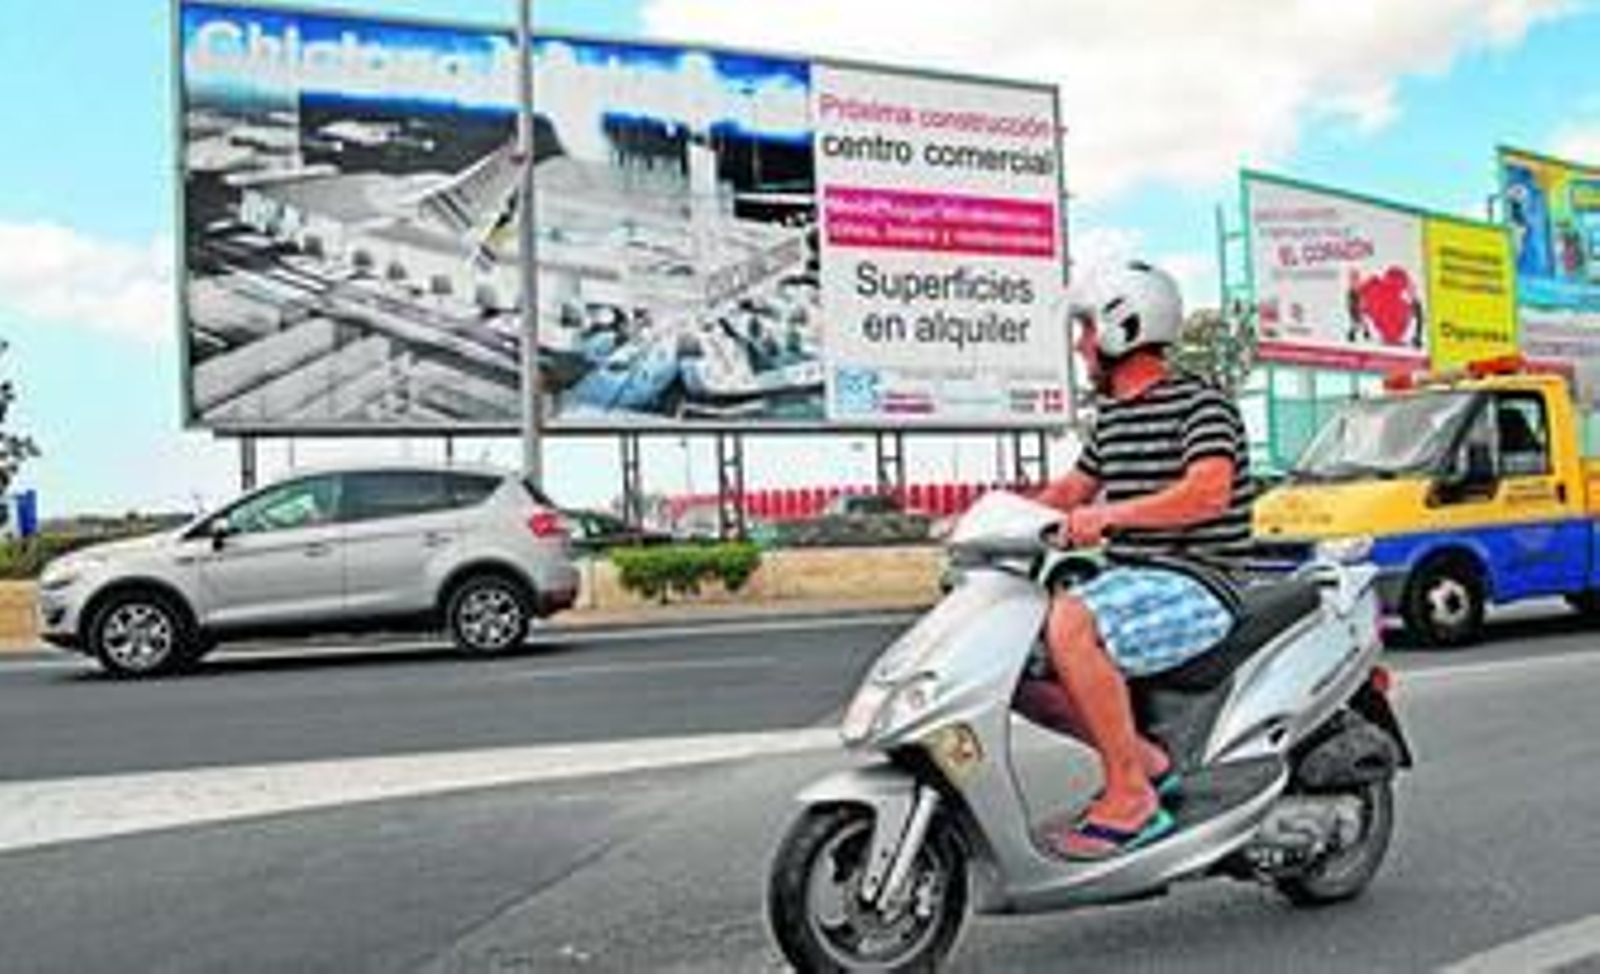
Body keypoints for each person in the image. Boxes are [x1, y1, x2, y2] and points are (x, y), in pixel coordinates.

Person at [1030, 261, 1256, 859]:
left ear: (1120, 329)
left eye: (1085, 331)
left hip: (1201, 582)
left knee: (1071, 621)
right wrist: (993, 517)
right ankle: (1148, 761)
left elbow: (1209, 492)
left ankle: (1130, 794)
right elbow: (1067, 494)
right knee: (1017, 661)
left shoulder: (1201, 404)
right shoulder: (1111, 420)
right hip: (1132, 580)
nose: (1080, 346)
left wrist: (1110, 517)